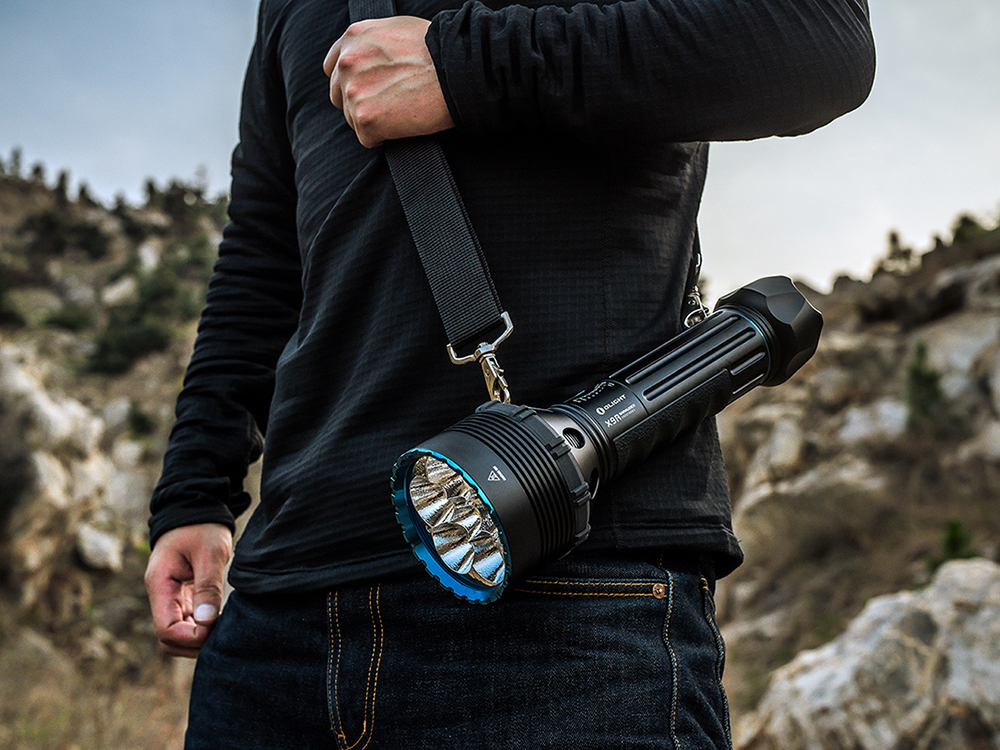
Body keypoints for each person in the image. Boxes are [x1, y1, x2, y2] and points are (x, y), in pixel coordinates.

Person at [145, 0, 875, 746]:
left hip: (578, 601)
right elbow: (263, 248)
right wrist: (194, 493)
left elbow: (817, 40)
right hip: (277, 621)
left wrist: (461, 67)